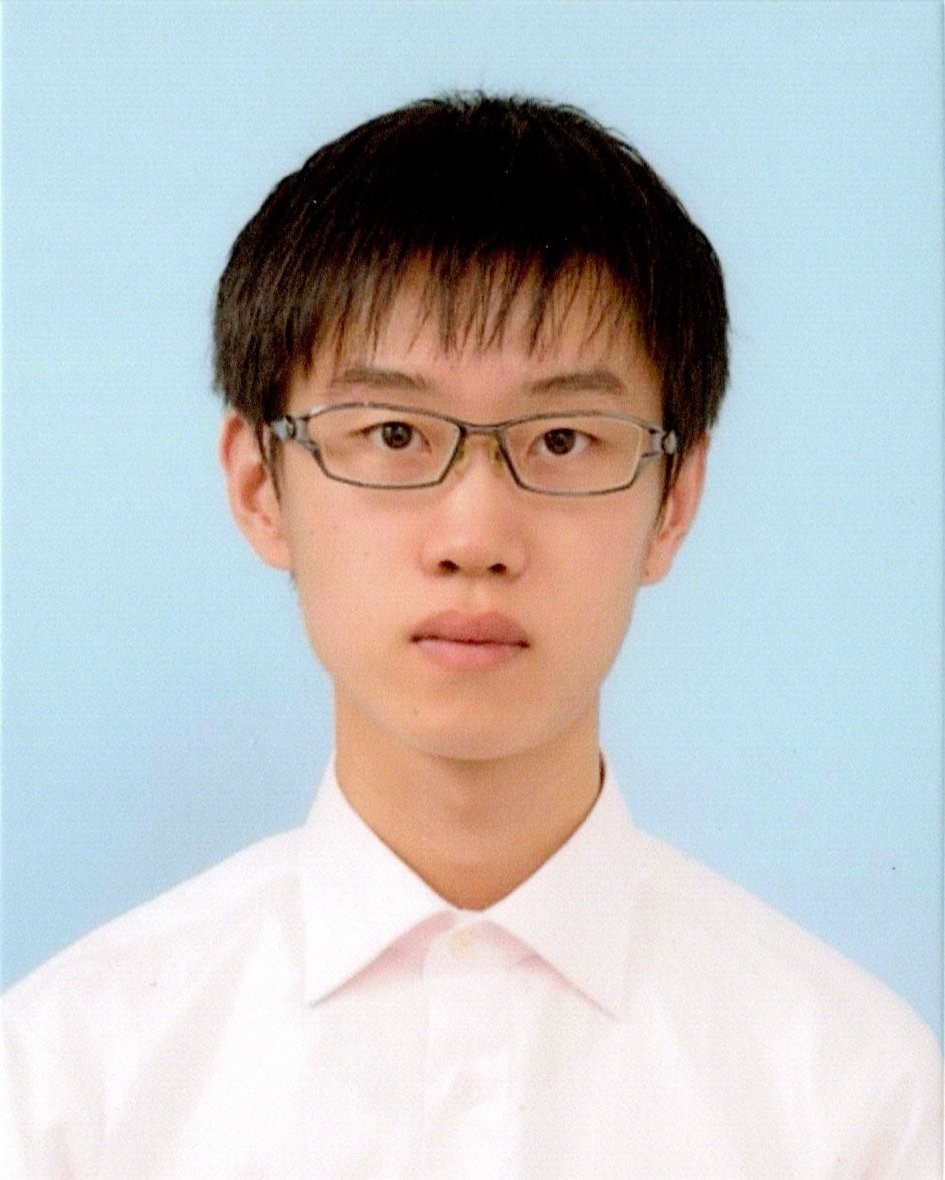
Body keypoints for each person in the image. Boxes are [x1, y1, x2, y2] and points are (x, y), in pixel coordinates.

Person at [3, 92, 940, 1179]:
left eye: (562, 438)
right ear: (260, 487)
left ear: (673, 502)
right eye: (394, 432)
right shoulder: (67, 1085)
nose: (475, 537)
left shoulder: (849, 1098)